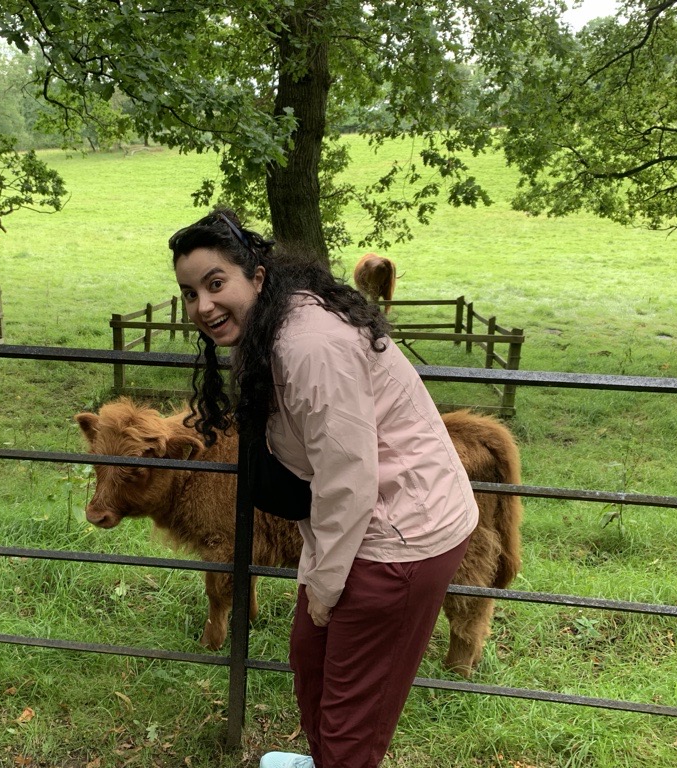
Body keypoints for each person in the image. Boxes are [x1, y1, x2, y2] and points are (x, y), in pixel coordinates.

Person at [169, 209, 479, 768]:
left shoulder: (310, 347)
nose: (203, 306)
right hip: (358, 521)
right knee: (310, 664)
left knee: (351, 718)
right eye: (190, 293)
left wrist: (325, 584)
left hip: (398, 537)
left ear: (256, 277)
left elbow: (349, 479)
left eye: (216, 284)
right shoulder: (271, 328)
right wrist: (321, 574)